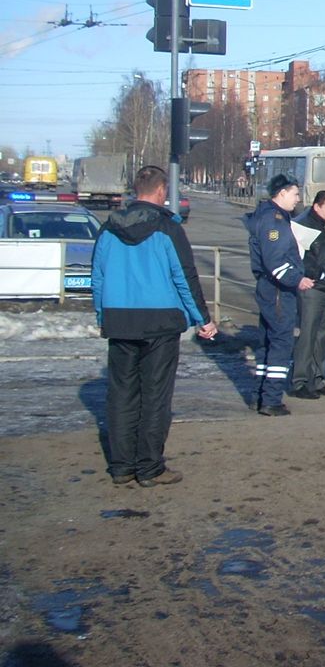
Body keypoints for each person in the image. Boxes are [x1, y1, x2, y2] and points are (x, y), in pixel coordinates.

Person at [91, 165, 217, 487]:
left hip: (120, 318)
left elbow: (98, 278)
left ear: (136, 190)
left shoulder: (109, 228)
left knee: (121, 395)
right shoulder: (168, 229)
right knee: (155, 396)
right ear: (161, 191)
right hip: (160, 321)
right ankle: (149, 468)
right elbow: (185, 277)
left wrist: (103, 316)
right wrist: (202, 319)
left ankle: (121, 467)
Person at [244, 173, 315, 416]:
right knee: (281, 341)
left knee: (266, 342)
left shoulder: (271, 217)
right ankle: (272, 399)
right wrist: (298, 279)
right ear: (282, 193)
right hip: (277, 290)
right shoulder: (274, 221)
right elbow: (275, 261)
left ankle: (260, 395)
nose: (298, 199)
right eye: (295, 194)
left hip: (270, 288)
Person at [289, 190, 325, 400]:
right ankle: (300, 381)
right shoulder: (302, 226)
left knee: (322, 336)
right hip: (313, 290)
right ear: (317, 206)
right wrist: (311, 274)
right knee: (307, 335)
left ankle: (316, 379)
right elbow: (297, 255)